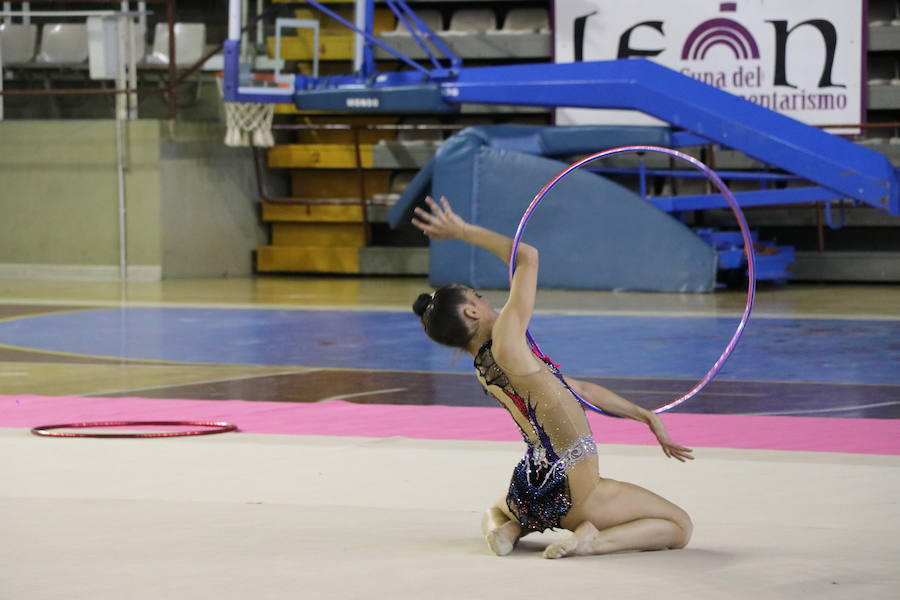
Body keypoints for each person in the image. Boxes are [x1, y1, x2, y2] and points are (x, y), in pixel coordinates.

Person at [411, 196, 694, 559]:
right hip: (580, 491)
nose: (489, 303)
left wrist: (646, 416)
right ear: (471, 310)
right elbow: (527, 256)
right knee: (679, 526)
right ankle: (592, 539)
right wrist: (463, 231)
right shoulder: (507, 344)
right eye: (479, 298)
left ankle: (509, 528)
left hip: (531, 488)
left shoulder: (486, 369)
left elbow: (578, 390)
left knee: (496, 510)